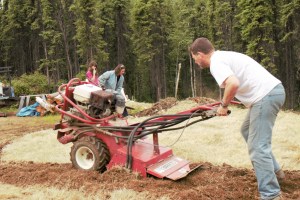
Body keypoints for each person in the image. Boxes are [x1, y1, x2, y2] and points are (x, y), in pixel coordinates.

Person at [189, 37, 286, 200]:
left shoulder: (216, 62)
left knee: (257, 147)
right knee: (247, 131)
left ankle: (271, 195)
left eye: (194, 59)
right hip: (271, 93)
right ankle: (277, 173)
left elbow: (233, 83)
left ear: (200, 54)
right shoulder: (223, 56)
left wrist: (224, 105)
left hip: (265, 96)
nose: (196, 63)